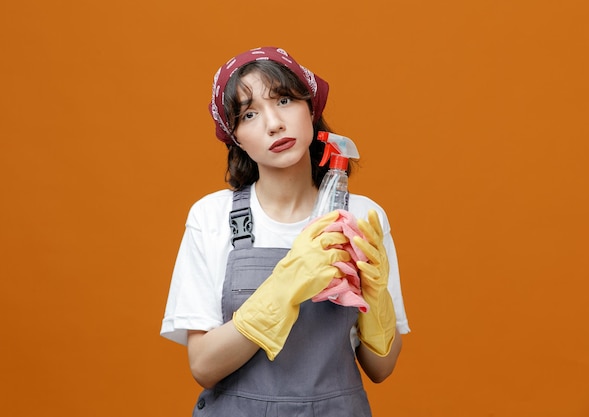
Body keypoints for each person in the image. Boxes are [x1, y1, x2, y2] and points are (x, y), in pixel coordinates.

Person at [160, 46, 410, 416]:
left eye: (285, 100)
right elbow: (204, 367)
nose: (273, 123)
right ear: (236, 138)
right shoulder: (211, 217)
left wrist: (376, 304)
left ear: (312, 109)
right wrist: (284, 286)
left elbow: (381, 369)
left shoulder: (362, 217)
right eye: (249, 114)